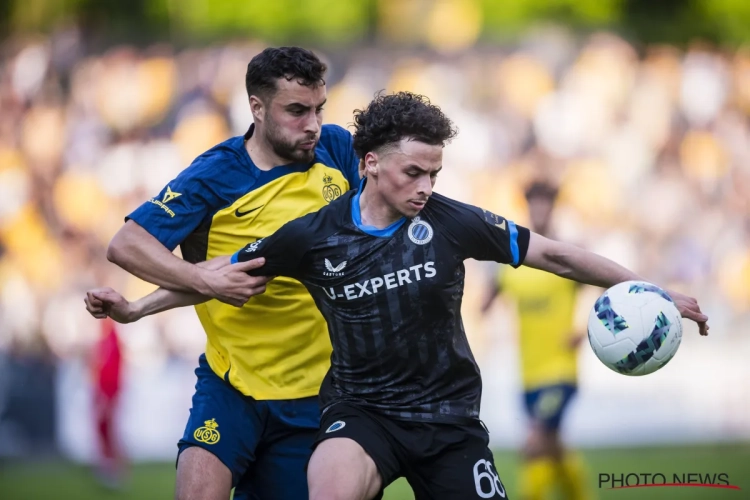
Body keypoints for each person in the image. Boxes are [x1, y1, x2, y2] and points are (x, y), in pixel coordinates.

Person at [87, 92, 709, 500]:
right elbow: (222, 277)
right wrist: (138, 308)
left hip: (449, 421)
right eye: (414, 172)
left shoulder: (451, 221)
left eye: (434, 172)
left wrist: (649, 289)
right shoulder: (313, 235)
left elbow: (557, 255)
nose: (426, 186)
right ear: (370, 163)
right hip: (361, 415)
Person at [88, 47, 360, 500]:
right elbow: (128, 244)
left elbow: (236, 268)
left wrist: (143, 306)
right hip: (231, 386)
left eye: (319, 109)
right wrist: (190, 288)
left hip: (315, 396)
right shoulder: (216, 175)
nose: (312, 124)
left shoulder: (337, 150)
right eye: (296, 111)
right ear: (257, 107)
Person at [481, 181, 592, 500]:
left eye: (546, 202)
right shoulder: (513, 259)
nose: (540, 209)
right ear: (527, 206)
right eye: (535, 202)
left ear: (554, 207)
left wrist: (582, 326)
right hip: (528, 372)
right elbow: (484, 304)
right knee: (553, 446)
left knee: (534, 443)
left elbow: (596, 291)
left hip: (561, 370)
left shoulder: (566, 253)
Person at [91, 317, 124, 489]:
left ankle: (116, 471)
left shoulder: (110, 338)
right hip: (104, 391)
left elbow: (111, 369)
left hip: (107, 392)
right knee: (105, 430)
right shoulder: (106, 338)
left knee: (109, 430)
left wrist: (106, 394)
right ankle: (109, 468)